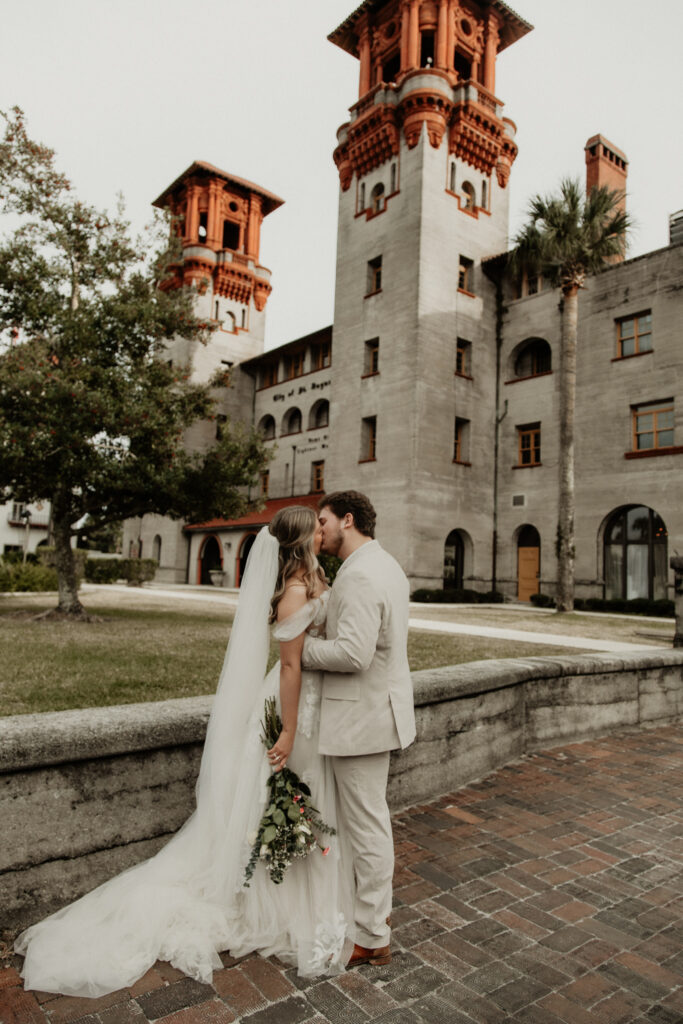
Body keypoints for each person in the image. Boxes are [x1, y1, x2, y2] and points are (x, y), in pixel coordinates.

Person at [16, 506, 353, 998]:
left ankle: (298, 892)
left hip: (313, 704)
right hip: (289, 708)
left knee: (303, 798)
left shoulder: (310, 579)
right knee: (276, 801)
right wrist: (287, 731)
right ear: (303, 539)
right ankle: (270, 901)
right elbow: (289, 668)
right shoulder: (296, 591)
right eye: (318, 527)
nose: (325, 531)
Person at [302, 490, 416, 967]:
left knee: (367, 825)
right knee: (368, 821)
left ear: (347, 520)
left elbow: (353, 654)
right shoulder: (380, 563)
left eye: (324, 520)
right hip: (373, 712)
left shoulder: (364, 574)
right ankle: (372, 919)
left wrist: (298, 650)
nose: (319, 529)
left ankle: (372, 934)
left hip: (363, 718)